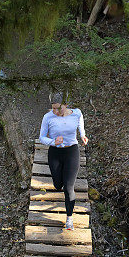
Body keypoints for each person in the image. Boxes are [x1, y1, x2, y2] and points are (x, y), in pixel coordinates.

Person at [38, 92, 89, 230]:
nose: (55, 111)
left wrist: (83, 136)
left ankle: (69, 219)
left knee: (68, 187)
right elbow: (42, 137)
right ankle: (58, 183)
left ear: (66, 105)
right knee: (57, 185)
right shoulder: (48, 117)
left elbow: (80, 125)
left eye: (58, 108)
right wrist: (53, 141)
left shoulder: (76, 113)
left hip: (71, 151)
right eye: (53, 108)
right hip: (55, 153)